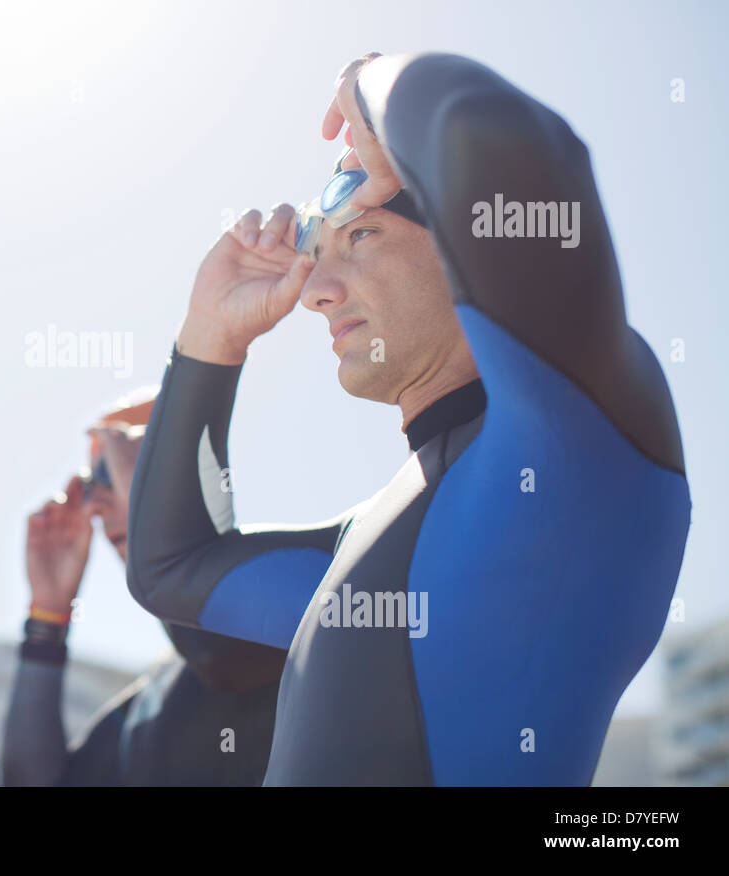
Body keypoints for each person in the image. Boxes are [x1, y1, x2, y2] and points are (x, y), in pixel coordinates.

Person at [122, 52, 690, 785]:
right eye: (315, 255)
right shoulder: (370, 540)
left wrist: (374, 82)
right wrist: (210, 338)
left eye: (361, 236)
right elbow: (170, 567)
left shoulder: (569, 444)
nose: (315, 290)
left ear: (466, 247)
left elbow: (491, 135)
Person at [2, 390, 287, 786]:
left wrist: (163, 522)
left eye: (114, 473)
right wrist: (48, 617)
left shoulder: (284, 609)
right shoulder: (161, 686)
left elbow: (219, 657)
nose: (93, 507)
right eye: (89, 485)